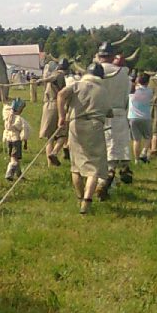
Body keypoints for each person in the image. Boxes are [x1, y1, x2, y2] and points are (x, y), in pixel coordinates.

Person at [57, 62, 111, 215]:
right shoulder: (103, 90)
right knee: (94, 166)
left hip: (75, 124)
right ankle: (87, 200)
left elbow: (61, 95)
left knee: (76, 165)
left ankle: (80, 197)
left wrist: (61, 116)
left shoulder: (77, 85)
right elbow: (109, 112)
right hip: (95, 125)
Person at [94, 42, 133, 199]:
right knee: (117, 146)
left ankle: (105, 179)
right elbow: (127, 94)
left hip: (99, 113)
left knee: (102, 148)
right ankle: (111, 176)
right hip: (119, 113)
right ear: (112, 56)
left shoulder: (95, 72)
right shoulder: (123, 73)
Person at [38, 59, 70, 166]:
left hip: (47, 106)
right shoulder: (60, 76)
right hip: (58, 106)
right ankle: (55, 152)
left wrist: (41, 80)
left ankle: (50, 165)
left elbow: (48, 79)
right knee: (63, 134)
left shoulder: (54, 74)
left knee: (49, 137)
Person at [128, 73, 153, 164]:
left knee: (136, 139)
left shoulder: (132, 91)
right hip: (145, 117)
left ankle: (136, 160)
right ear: (147, 82)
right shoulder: (149, 91)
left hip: (133, 116)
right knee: (148, 137)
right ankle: (144, 152)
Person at [2, 98, 28, 181]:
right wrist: (25, 140)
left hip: (8, 139)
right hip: (16, 140)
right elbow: (24, 131)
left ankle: (19, 174)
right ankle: (9, 174)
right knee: (14, 159)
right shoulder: (19, 119)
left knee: (14, 157)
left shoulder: (7, 118)